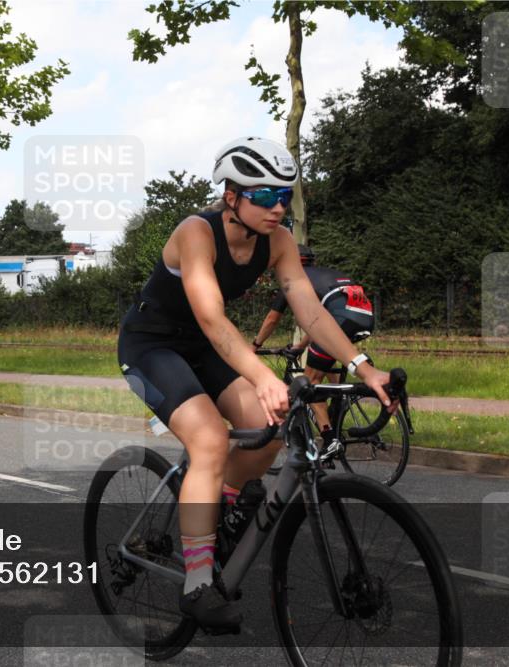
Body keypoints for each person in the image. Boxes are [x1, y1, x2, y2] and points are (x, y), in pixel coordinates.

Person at [116, 137, 396, 632]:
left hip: (205, 349)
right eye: (264, 196)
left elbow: (309, 310)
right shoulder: (196, 233)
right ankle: (197, 583)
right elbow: (211, 317)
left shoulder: (279, 241)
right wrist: (264, 376)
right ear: (232, 197)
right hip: (152, 346)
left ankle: (218, 506)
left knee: (269, 424)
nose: (278, 207)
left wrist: (363, 366)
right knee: (208, 439)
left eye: (284, 195)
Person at [252, 245, 375, 458]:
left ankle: (330, 440)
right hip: (365, 316)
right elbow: (319, 321)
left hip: (341, 320)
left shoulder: (293, 280)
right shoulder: (327, 275)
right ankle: (339, 403)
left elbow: (272, 319)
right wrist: (300, 347)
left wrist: (255, 345)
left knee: (309, 385)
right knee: (326, 370)